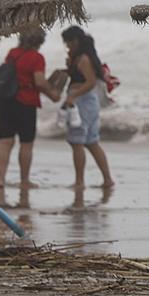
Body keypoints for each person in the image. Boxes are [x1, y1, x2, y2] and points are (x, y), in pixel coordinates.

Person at [0, 27, 58, 190]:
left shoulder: (12, 53)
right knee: (26, 144)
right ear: (40, 41)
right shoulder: (37, 58)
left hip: (4, 102)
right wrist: (53, 95)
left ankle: (0, 179)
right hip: (25, 103)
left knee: (5, 142)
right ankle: (24, 180)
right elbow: (40, 82)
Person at [59, 25, 115, 194]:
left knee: (77, 142)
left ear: (75, 41)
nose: (67, 47)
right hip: (90, 102)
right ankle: (107, 179)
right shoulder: (83, 57)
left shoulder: (83, 59)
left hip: (83, 101)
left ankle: (79, 182)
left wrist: (72, 96)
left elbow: (89, 82)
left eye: (68, 43)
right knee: (91, 142)